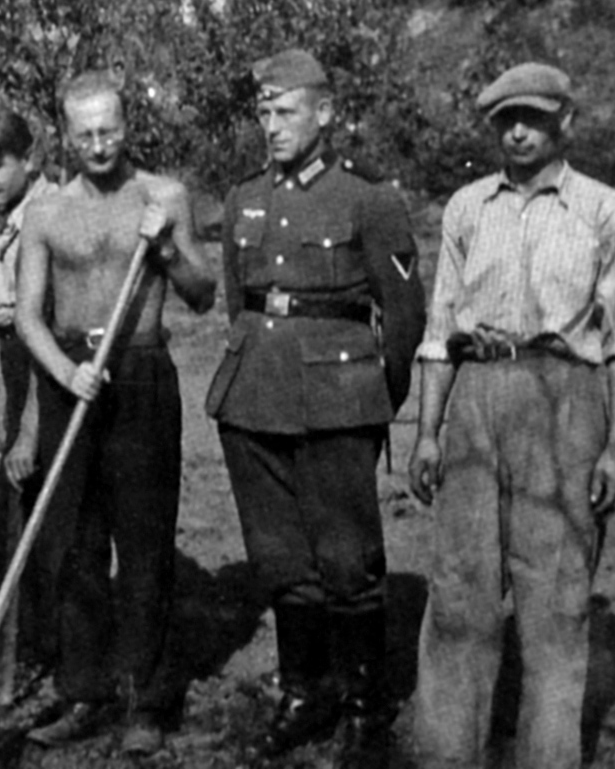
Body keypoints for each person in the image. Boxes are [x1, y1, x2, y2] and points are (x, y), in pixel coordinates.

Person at [409, 62, 615, 769]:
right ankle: (447, 755)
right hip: (476, 399)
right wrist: (426, 432)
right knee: (459, 598)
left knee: (555, 606)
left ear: (564, 123)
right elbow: (438, 330)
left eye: (533, 118)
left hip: (563, 400)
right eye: (504, 120)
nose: (517, 131)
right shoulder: (466, 209)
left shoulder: (603, 212)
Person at [209, 48, 426, 765]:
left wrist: (373, 401)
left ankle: (366, 704)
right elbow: (236, 301)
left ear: (325, 113)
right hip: (253, 395)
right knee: (279, 557)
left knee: (346, 558)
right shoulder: (243, 198)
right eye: (263, 112)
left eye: (286, 111)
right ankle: (307, 691)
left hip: (338, 398)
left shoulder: (369, 199)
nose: (271, 125)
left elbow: (403, 318)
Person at [15, 71, 216, 758]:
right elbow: (26, 317)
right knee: (72, 544)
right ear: (65, 137)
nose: (99, 145)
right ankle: (83, 692)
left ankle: (145, 699)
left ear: (128, 127)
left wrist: (163, 247)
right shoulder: (44, 212)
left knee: (144, 544)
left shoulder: (165, 195)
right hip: (69, 374)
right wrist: (64, 371)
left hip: (140, 373)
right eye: (85, 134)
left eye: (110, 130)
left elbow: (201, 294)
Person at [0, 103, 59, 664]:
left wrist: (28, 428)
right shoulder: (12, 215)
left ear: (29, 158)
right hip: (14, 363)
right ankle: (32, 640)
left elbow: (46, 328)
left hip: (40, 368)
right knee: (13, 516)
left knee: (23, 507)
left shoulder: (46, 216)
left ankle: (46, 644)